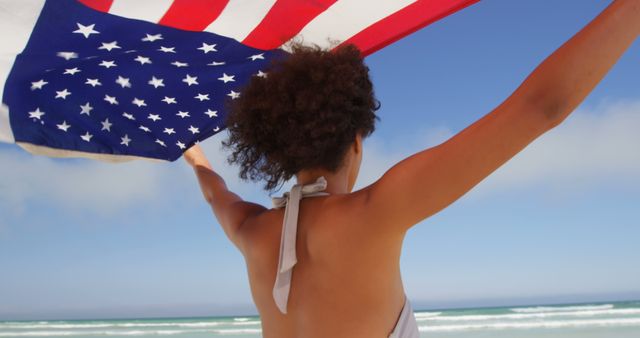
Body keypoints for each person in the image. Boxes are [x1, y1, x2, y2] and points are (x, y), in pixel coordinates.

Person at [183, 1, 639, 337]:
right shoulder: (376, 210)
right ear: (356, 141)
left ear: (278, 147)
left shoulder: (251, 230)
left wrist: (194, 154)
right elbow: (541, 108)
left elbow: (213, 191)